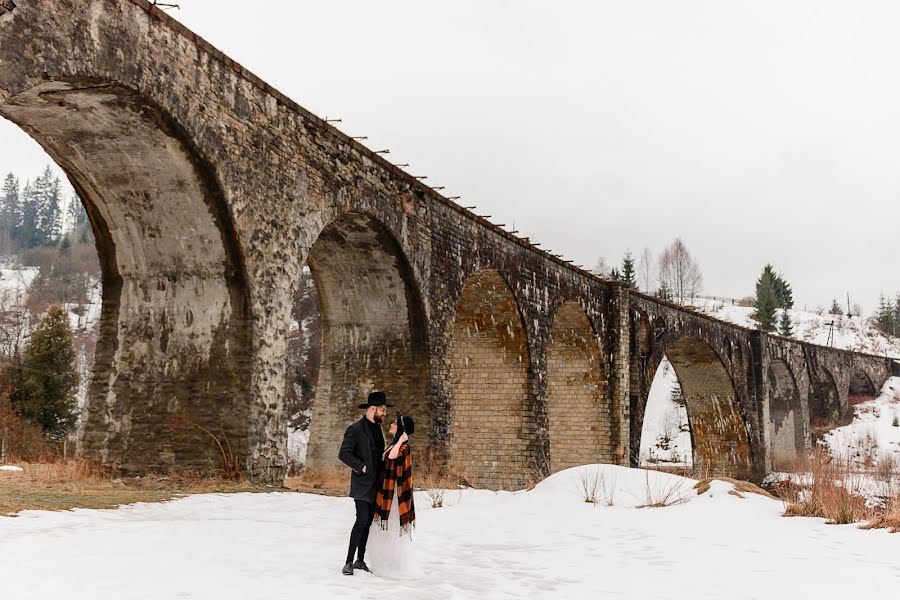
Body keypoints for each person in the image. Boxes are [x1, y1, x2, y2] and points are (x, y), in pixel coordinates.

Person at [338, 391, 392, 576]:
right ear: (372, 409)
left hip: (376, 484)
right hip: (362, 484)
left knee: (368, 522)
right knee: (361, 520)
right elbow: (344, 454)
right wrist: (362, 467)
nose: (385, 413)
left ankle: (360, 560)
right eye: (382, 409)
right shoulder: (355, 429)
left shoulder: (378, 429)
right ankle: (348, 562)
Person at [366, 414, 419, 577]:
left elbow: (391, 457)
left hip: (396, 496)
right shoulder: (395, 445)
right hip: (387, 493)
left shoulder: (402, 447)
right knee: (382, 528)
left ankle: (393, 566)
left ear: (401, 430)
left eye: (395, 424)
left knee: (393, 528)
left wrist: (403, 439)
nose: (391, 424)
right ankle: (384, 562)